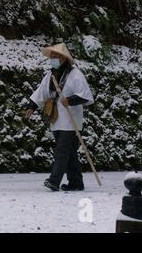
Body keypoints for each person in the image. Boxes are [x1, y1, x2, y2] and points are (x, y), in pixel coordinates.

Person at [25, 43, 94, 191]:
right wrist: (32, 106)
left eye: (55, 56)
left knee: (62, 151)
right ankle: (76, 183)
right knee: (69, 153)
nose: (52, 59)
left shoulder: (76, 74)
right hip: (56, 118)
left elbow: (85, 96)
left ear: (63, 58)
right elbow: (41, 92)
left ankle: (54, 181)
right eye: (51, 56)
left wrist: (70, 100)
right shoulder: (51, 75)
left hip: (71, 120)